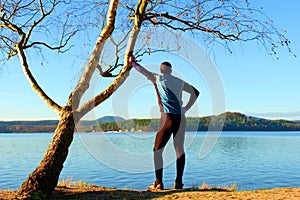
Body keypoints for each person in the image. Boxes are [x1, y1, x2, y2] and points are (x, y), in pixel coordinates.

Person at [129, 56, 200, 190]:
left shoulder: (158, 78)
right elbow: (196, 92)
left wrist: (132, 62)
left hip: (168, 118)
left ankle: (158, 182)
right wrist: (186, 108)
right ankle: (178, 183)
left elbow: (141, 70)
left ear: (162, 70)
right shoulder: (179, 82)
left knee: (157, 149)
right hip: (181, 118)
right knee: (179, 149)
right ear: (171, 71)